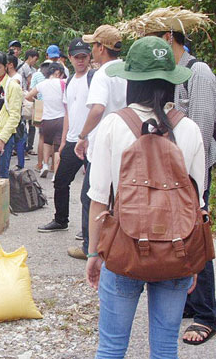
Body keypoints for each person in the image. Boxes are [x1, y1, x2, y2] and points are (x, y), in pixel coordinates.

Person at [86, 36, 203, 358]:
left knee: (111, 347)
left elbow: (98, 199)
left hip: (123, 250)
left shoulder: (113, 125)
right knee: (165, 348)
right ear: (171, 81)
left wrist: (94, 253)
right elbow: (197, 202)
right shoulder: (190, 129)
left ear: (130, 79)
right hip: (177, 251)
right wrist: (193, 263)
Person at [121, 5, 216, 346]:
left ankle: (206, 313)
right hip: (170, 169)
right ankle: (189, 303)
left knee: (194, 230)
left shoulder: (198, 72)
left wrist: (193, 183)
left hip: (191, 168)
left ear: (167, 38)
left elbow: (202, 129)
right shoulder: (171, 75)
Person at [70, 24, 127, 260]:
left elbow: (97, 108)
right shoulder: (128, 69)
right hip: (127, 143)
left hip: (104, 145)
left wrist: (82, 137)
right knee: (120, 198)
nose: (92, 50)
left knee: (92, 197)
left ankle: (90, 248)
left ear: (101, 47)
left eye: (93, 45)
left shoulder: (103, 74)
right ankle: (119, 243)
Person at [38, 38, 93, 233]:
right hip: (72, 140)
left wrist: (87, 136)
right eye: (76, 57)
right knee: (61, 181)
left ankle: (90, 229)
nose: (80, 61)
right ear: (69, 58)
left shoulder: (94, 78)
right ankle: (61, 219)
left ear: (89, 57)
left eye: (84, 57)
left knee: (92, 190)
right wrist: (63, 141)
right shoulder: (69, 82)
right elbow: (68, 111)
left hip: (92, 141)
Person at [26, 63, 65, 178]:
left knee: (47, 142)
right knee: (57, 148)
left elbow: (28, 96)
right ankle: (56, 174)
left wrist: (37, 102)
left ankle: (45, 165)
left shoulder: (42, 84)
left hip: (46, 119)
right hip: (60, 118)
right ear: (58, 72)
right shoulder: (63, 83)